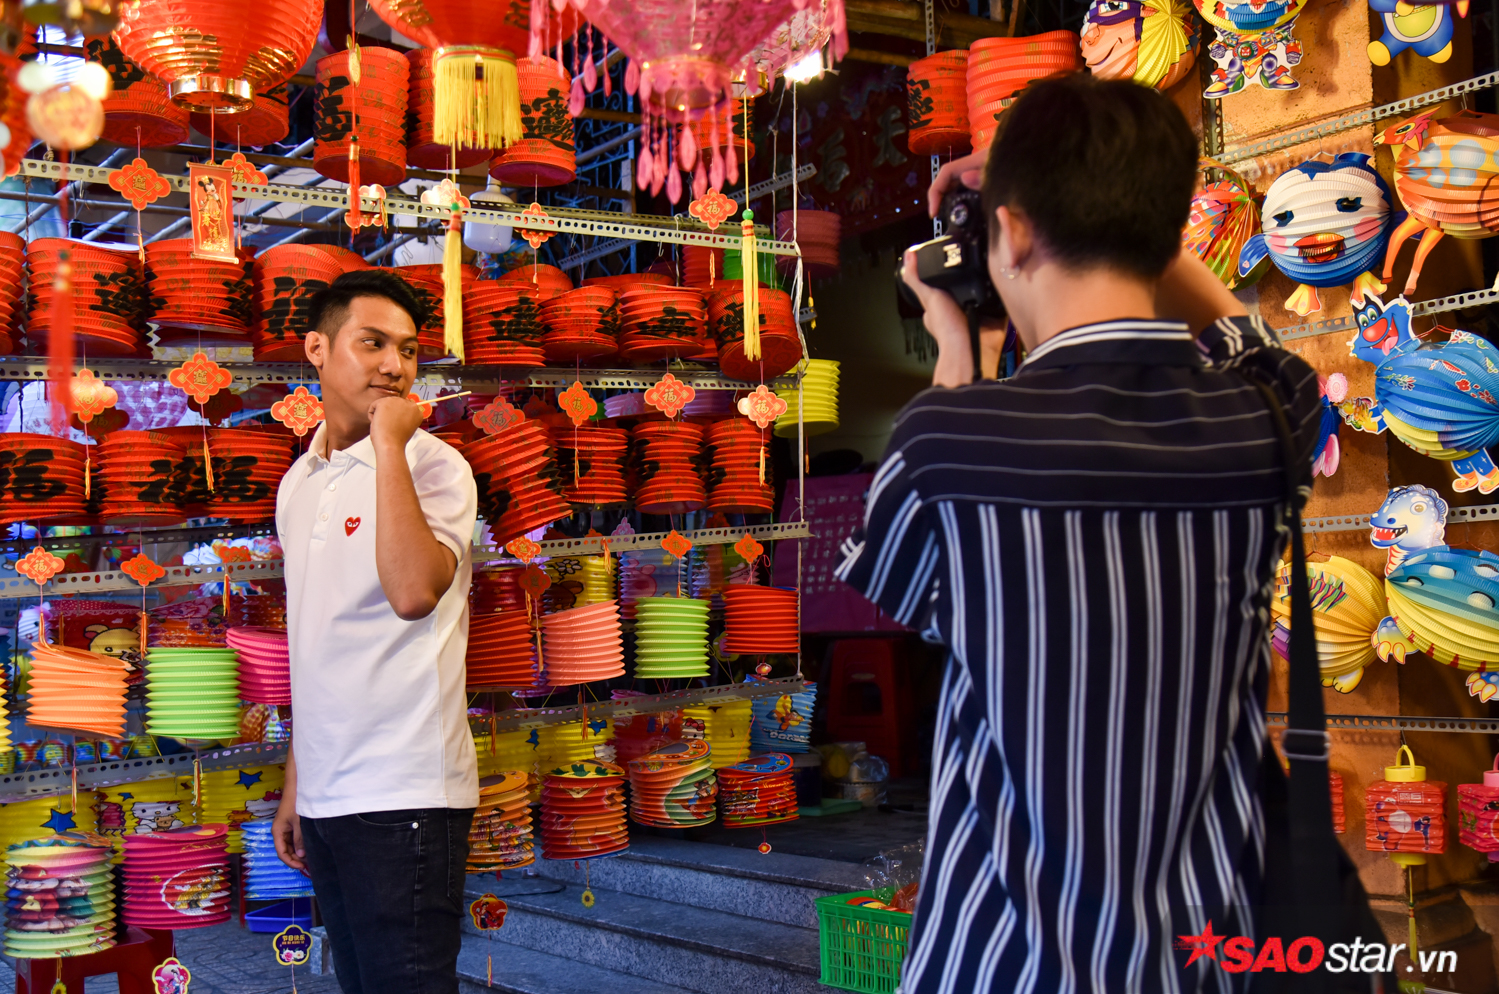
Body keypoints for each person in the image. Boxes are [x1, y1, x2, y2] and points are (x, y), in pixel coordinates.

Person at [837, 75, 1322, 991]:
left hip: (999, 962)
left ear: (1010, 233)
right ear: (1167, 238)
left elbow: (908, 595)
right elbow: (1256, 346)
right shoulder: (1263, 419)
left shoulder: (945, 441)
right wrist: (1126, 215)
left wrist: (958, 346)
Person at [272, 269, 479, 994]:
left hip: (406, 790)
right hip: (327, 794)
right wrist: (297, 783)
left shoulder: (436, 465)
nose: (395, 365)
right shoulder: (299, 481)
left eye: (409, 349)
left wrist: (390, 445)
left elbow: (414, 593)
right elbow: (316, 643)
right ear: (317, 350)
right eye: (372, 343)